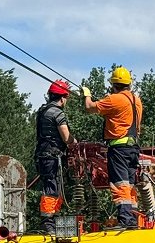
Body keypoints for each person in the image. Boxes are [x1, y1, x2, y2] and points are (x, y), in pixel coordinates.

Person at [82, 67, 143, 228]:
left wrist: (87, 94)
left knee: (119, 183)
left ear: (114, 85)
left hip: (119, 148)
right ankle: (132, 218)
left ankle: (125, 220)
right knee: (129, 184)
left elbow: (89, 107)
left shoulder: (114, 99)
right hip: (133, 148)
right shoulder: (136, 100)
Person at [34, 79, 77, 233]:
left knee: (52, 187)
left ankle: (50, 219)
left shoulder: (42, 111)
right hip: (52, 157)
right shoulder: (57, 113)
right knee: (52, 188)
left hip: (42, 156)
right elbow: (66, 137)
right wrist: (75, 143)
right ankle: (48, 221)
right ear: (62, 97)